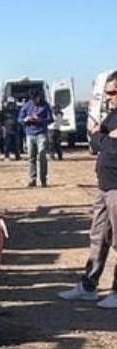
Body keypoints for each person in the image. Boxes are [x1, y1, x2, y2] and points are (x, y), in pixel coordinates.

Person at [60, 71, 117, 308]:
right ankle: (88, 285)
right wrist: (105, 138)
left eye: (113, 92)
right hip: (104, 186)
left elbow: (111, 147)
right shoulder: (113, 115)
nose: (109, 97)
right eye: (107, 93)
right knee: (98, 237)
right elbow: (95, 141)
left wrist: (101, 138)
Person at [18, 90, 54, 187]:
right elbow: (20, 119)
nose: (35, 101)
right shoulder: (26, 106)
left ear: (39, 96)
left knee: (42, 156)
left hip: (41, 134)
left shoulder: (45, 105)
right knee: (31, 158)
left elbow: (51, 119)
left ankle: (43, 180)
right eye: (32, 99)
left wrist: (40, 120)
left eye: (36, 99)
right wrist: (26, 119)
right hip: (30, 134)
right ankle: (32, 179)